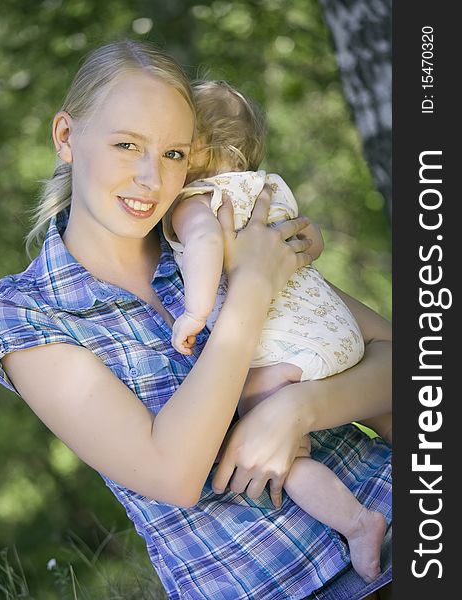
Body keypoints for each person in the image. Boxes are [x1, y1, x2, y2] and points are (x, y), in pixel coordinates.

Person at [0, 40, 392, 599]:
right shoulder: (26, 315)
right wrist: (252, 288)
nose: (150, 178)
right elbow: (173, 473)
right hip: (266, 585)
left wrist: (296, 410)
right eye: (126, 145)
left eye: (174, 154)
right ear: (66, 137)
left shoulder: (211, 230)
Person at [162, 79, 389, 583]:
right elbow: (306, 240)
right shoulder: (268, 187)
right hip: (331, 326)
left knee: (263, 440)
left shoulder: (194, 200)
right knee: (386, 400)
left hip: (282, 344)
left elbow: (202, 247)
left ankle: (356, 524)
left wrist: (195, 312)